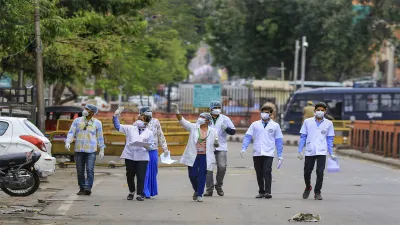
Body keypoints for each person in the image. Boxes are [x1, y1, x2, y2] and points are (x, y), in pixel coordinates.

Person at [172, 103, 218, 202]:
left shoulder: (213, 131)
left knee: (202, 175)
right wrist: (177, 111)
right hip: (193, 155)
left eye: (202, 117)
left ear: (207, 120)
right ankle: (197, 190)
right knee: (192, 175)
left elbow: (215, 142)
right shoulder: (193, 127)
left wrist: (216, 144)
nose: (199, 118)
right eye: (199, 117)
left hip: (205, 157)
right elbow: (182, 121)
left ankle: (200, 194)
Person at [241, 105, 284, 199]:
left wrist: (280, 155)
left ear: (271, 114)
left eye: (267, 112)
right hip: (257, 152)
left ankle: (268, 192)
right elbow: (248, 136)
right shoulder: (255, 124)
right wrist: (244, 148)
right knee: (259, 172)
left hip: (269, 152)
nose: (264, 114)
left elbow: (279, 140)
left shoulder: (275, 126)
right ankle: (261, 191)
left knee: (267, 171)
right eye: (263, 112)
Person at [297, 102, 337, 200]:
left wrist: (331, 152)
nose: (320, 112)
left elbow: (329, 139)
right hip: (310, 150)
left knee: (320, 172)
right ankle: (308, 187)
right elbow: (303, 137)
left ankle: (317, 192)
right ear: (314, 111)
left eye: (322, 110)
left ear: (325, 111)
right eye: (318, 110)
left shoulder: (329, 123)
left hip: (322, 151)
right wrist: (300, 150)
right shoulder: (307, 122)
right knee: (307, 172)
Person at [113, 107, 154, 201]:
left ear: (147, 121)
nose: (139, 120)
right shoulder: (130, 128)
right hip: (130, 155)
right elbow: (118, 126)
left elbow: (151, 146)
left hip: (142, 156)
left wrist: (146, 146)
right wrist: (115, 116)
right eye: (139, 118)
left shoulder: (149, 133)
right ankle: (131, 191)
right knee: (130, 175)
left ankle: (139, 194)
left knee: (141, 175)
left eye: (142, 119)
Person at [65, 104, 105, 196]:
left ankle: (88, 187)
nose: (85, 110)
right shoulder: (77, 121)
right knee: (80, 170)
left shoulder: (97, 123)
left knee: (90, 169)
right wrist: (68, 141)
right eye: (85, 109)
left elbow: (100, 137)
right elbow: (71, 132)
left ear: (92, 112)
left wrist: (102, 149)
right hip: (79, 150)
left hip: (91, 150)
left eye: (87, 109)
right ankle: (82, 187)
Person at [204, 101, 236, 197]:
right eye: (215, 107)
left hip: (221, 146)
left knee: (222, 167)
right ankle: (209, 189)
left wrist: (226, 128)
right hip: (208, 146)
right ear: (211, 108)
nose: (217, 109)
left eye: (219, 107)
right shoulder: (205, 118)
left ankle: (219, 185)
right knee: (208, 168)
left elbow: (233, 131)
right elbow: (197, 128)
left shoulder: (225, 119)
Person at [139, 107, 170, 199]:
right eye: (147, 112)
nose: (149, 113)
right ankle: (144, 191)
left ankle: (151, 190)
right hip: (143, 150)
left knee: (153, 170)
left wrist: (165, 149)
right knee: (145, 171)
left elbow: (160, 135)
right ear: (141, 113)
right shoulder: (138, 122)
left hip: (153, 150)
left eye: (150, 111)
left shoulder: (156, 121)